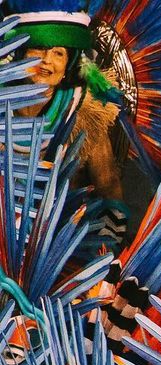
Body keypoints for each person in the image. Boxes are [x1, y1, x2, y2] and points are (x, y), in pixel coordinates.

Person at [12, 0, 127, 251]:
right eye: (38, 49)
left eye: (58, 53)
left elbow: (108, 186)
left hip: (58, 248)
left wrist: (106, 252)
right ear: (20, 54)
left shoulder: (83, 113)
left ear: (68, 66)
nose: (46, 61)